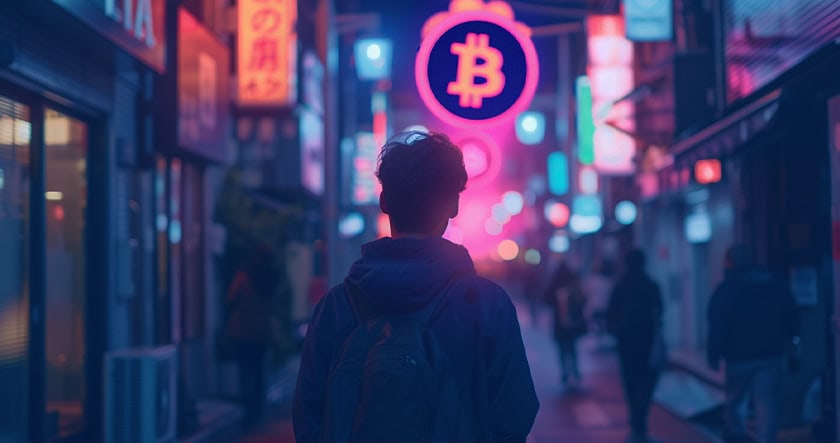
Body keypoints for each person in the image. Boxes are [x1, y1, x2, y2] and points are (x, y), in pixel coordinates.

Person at [292, 132, 539, 442]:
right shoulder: (487, 305)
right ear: (453, 206)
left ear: (384, 201)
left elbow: (309, 417)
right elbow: (515, 414)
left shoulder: (337, 306)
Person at [707, 244, 800, 443]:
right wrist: (792, 345)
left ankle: (737, 437)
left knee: (736, 402)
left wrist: (713, 353)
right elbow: (791, 317)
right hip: (770, 354)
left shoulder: (728, 289)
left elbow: (719, 323)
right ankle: (767, 439)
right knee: (767, 402)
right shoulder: (776, 284)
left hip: (738, 357)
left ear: (730, 262)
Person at [607, 250, 664, 443]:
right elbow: (659, 311)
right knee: (647, 382)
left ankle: (636, 421)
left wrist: (616, 330)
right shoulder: (651, 285)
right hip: (647, 340)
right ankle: (640, 421)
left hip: (626, 342)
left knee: (630, 382)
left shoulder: (620, 286)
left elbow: (611, 313)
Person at [224, 245, 276, 428]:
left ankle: (249, 411)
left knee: (245, 371)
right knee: (259, 370)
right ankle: (259, 409)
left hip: (242, 330)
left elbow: (230, 299)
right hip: (261, 330)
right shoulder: (269, 278)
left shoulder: (244, 276)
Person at [544, 262, 587, 387]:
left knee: (562, 348)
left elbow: (546, 299)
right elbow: (583, 299)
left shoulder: (555, 284)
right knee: (572, 347)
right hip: (572, 323)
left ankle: (565, 372)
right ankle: (575, 371)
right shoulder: (572, 283)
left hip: (559, 323)